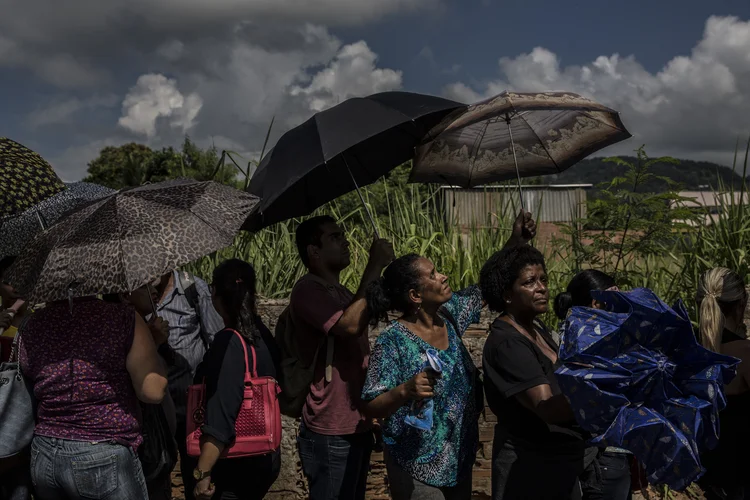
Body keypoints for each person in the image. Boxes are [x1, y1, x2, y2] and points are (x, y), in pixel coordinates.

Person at [360, 212, 536, 500]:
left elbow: (485, 288)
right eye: (433, 275)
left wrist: (516, 241)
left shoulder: (450, 316)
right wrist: (406, 389)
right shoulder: (393, 341)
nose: (443, 276)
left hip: (458, 457)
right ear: (415, 295)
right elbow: (370, 405)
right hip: (416, 463)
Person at [19, 294, 168, 499]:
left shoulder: (32, 325)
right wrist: (154, 344)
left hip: (45, 454)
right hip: (103, 454)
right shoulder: (121, 318)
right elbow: (152, 391)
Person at [290, 215, 394, 500]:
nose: (345, 241)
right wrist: (374, 264)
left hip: (356, 422)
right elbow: (348, 326)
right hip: (330, 429)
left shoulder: (342, 291)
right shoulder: (307, 290)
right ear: (314, 251)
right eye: (334, 237)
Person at [480, 245, 586, 500]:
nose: (542, 288)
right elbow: (547, 407)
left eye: (543, 279)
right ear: (507, 295)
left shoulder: (536, 327)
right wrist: (598, 398)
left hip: (558, 463)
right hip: (532, 470)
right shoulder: (508, 343)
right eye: (530, 282)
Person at [192, 259, 282, 500]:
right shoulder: (261, 334)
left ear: (215, 294)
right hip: (264, 459)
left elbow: (221, 412)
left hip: (235, 465)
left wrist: (203, 473)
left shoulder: (229, 342)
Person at [554, 270, 632, 500]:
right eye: (616, 298)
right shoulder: (593, 340)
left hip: (596, 455)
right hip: (605, 455)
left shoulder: (568, 332)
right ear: (597, 303)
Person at [152, 269, 225, 499]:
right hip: (155, 410)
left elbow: (217, 341)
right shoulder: (135, 296)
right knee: (156, 474)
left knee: (195, 475)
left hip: (193, 409)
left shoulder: (192, 288)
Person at [104, 286, 178, 500]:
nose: (154, 290)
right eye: (144, 285)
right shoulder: (122, 330)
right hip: (144, 451)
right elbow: (148, 390)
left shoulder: (145, 327)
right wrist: (152, 342)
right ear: (125, 296)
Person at [694, 267, 750, 500]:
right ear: (741, 305)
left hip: (707, 475)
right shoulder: (744, 354)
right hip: (741, 475)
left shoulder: (687, 353)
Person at [0, 256, 33, 500]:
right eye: (7, 281)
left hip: (28, 433)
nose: (14, 287)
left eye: (21, 278)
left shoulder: (39, 323)